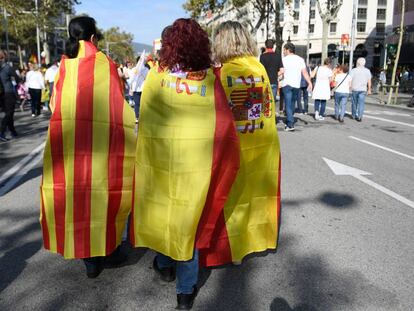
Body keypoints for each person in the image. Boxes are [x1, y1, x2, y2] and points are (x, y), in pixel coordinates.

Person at [130, 19, 240, 310]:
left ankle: (166, 265)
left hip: (162, 166)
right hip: (197, 169)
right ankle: (185, 291)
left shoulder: (155, 77)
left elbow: (147, 124)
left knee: (168, 218)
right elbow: (223, 128)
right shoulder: (209, 81)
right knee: (188, 224)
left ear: (169, 47)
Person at [39, 16, 136, 279]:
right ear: (93, 38)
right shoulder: (104, 63)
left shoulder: (64, 66)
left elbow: (54, 105)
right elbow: (117, 103)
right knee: (102, 197)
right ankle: (106, 251)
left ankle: (88, 260)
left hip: (70, 145)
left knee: (76, 198)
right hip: (100, 146)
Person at [209, 20, 281, 267]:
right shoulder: (258, 68)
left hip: (232, 149)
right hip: (261, 144)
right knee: (257, 196)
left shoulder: (221, 74)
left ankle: (232, 248)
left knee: (232, 198)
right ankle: (255, 240)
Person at [281, 42, 312, 131]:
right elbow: (304, 72)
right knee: (292, 103)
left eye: (284, 50)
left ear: (287, 50)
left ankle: (290, 124)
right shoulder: (300, 59)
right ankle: (290, 120)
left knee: (288, 104)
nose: (283, 52)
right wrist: (309, 82)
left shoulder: (284, 60)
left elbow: (281, 71)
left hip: (287, 84)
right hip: (296, 85)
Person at [0, 50, 20, 141]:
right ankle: (2, 131)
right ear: (4, 57)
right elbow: (17, 78)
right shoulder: (7, 67)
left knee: (9, 112)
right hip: (8, 92)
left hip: (1, 93)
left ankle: (13, 131)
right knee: (9, 113)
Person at [350, 57, 372, 122]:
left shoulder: (353, 70)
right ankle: (360, 116)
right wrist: (369, 89)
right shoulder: (367, 71)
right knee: (361, 103)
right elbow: (369, 81)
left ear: (358, 63)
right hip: (363, 89)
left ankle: (354, 115)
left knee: (354, 103)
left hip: (355, 89)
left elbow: (350, 79)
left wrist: (350, 87)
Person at [129, 56, 149, 122]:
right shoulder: (134, 69)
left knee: (143, 104)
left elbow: (148, 79)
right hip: (136, 89)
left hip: (144, 89)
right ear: (138, 62)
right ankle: (137, 117)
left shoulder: (146, 70)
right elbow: (131, 80)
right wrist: (131, 88)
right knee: (137, 103)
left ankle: (144, 116)